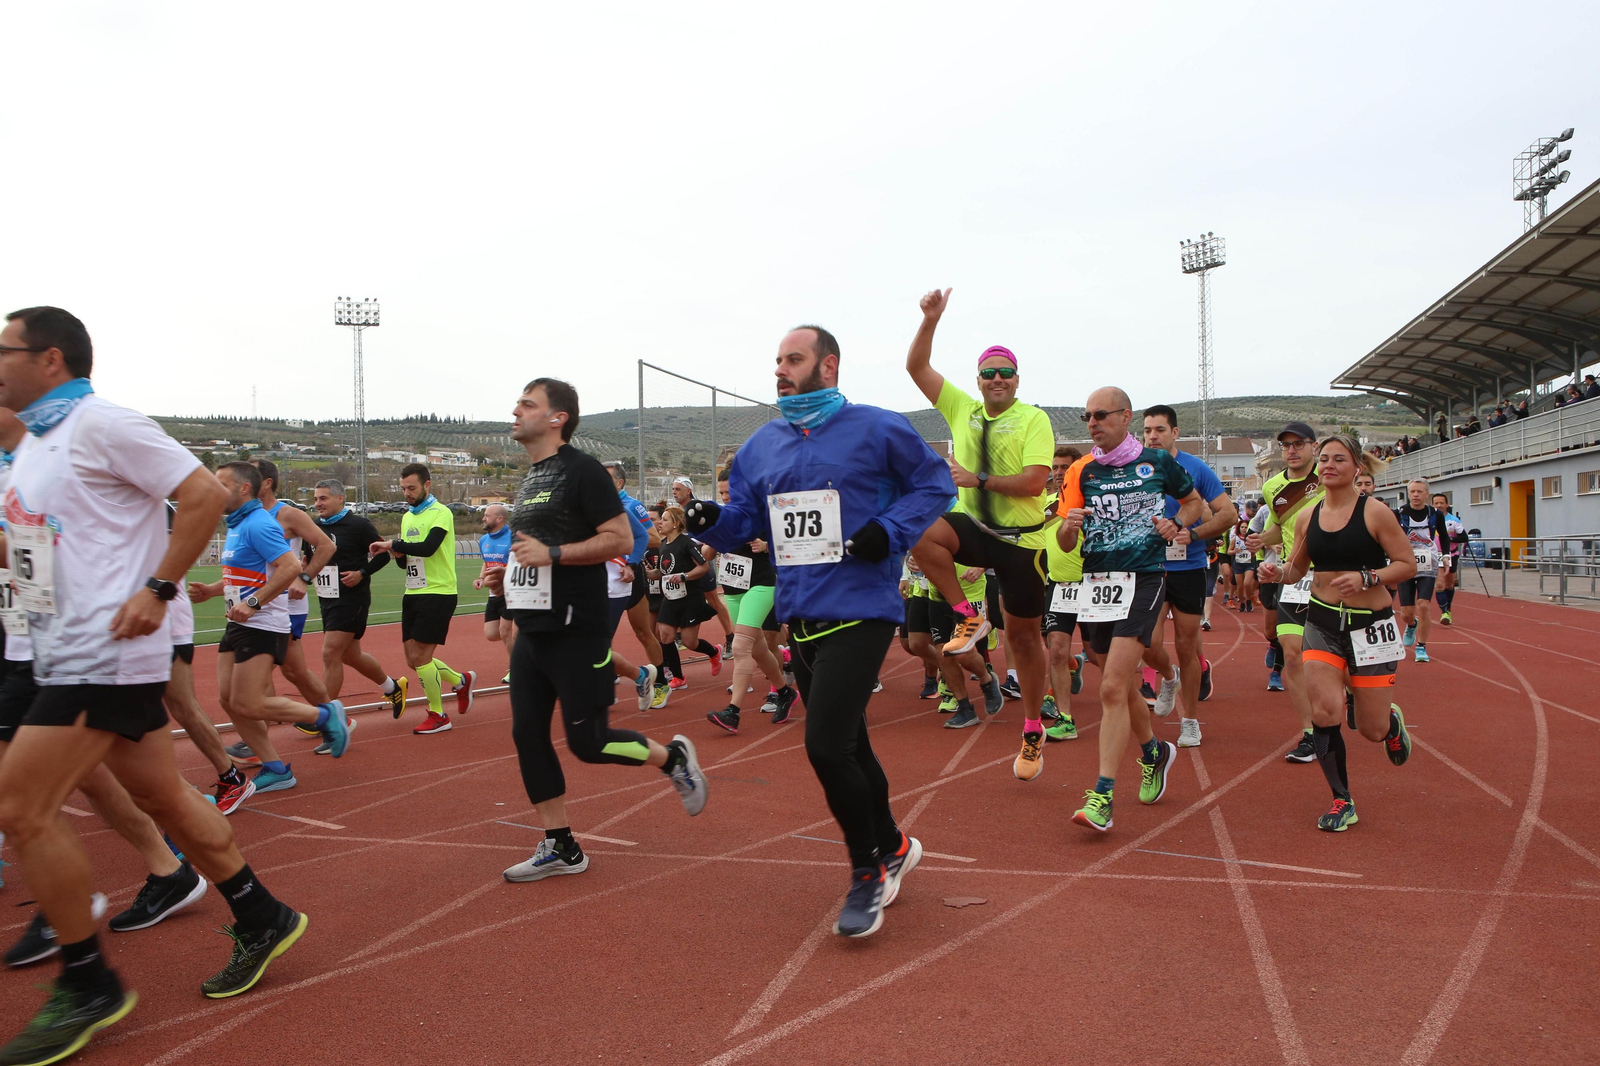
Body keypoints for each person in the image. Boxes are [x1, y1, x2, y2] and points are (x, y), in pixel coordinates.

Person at [0, 306, 307, 1062]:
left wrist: (160, 588)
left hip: (107, 651)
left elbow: (201, 493)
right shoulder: (37, 444)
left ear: (50, 360)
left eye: (4, 348)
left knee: (21, 804)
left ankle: (89, 982)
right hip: (63, 649)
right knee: (164, 795)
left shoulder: (105, 423)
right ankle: (262, 915)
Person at [686, 321, 952, 938]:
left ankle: (868, 872)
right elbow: (744, 525)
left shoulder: (879, 427)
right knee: (851, 742)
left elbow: (933, 484)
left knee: (825, 746)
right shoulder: (760, 447)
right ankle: (894, 843)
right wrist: (710, 520)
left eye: (794, 359)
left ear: (829, 366)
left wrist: (888, 530)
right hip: (799, 611)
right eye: (777, 360)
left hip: (861, 608)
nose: (780, 369)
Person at [488, 378, 707, 886]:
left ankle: (672, 757)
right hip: (533, 624)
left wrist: (554, 555)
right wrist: (511, 575)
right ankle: (560, 845)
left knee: (588, 742)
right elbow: (538, 550)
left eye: (527, 403)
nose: (515, 410)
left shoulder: (582, 470)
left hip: (576, 629)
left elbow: (620, 537)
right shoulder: (533, 476)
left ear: (558, 416)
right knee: (527, 734)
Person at [902, 289, 1053, 778]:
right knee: (920, 531)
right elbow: (917, 368)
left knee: (1026, 642)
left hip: (1023, 540)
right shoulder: (961, 408)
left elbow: (1034, 481)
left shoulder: (1033, 418)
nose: (996, 379)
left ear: (1016, 378)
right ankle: (969, 616)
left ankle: (1032, 727)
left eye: (1004, 371)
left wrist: (977, 479)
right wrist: (930, 320)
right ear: (978, 380)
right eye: (988, 372)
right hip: (977, 528)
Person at [1057, 388, 1202, 832]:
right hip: (1098, 584)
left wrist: (1177, 523)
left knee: (1112, 687)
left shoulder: (1157, 463)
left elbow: (1195, 502)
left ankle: (1101, 796)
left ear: (1125, 416)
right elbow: (1065, 542)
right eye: (1086, 417)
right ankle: (1154, 752)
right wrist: (1068, 526)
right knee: (1112, 683)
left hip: (1144, 579)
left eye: (1100, 415)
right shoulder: (1083, 471)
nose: (1092, 424)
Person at [1259, 434, 1416, 832]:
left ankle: (1390, 725)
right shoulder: (1308, 517)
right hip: (1323, 621)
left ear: (1356, 468)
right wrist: (1276, 573)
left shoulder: (1375, 512)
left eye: (1338, 459)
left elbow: (1407, 564)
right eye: (1324, 459)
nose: (1328, 465)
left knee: (1371, 729)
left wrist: (1368, 576)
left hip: (1372, 625)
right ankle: (1341, 799)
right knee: (1325, 713)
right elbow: (1296, 568)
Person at [189, 463, 352, 797]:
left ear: (245, 488)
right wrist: (211, 591)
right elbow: (243, 574)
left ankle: (324, 714)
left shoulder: (259, 522)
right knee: (229, 700)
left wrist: (254, 603)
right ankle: (276, 769)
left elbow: (290, 566)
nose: (214, 490)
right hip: (238, 622)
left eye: (221, 484)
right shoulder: (237, 524)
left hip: (262, 624)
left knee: (249, 701)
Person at [1140, 406, 1237, 748]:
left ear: (1175, 433)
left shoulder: (1195, 468)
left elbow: (1229, 514)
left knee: (1186, 645)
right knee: (1148, 645)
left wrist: (1194, 535)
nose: (1153, 436)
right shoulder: (1135, 470)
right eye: (1148, 429)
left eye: (1160, 429)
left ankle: (1191, 721)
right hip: (1148, 568)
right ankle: (1169, 677)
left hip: (1189, 567)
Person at [369, 464, 474, 735]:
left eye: (412, 488)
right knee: (412, 660)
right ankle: (460, 681)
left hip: (438, 592)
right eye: (403, 488)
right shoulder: (407, 517)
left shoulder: (442, 513)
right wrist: (398, 554)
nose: (407, 493)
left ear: (427, 485)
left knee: (422, 657)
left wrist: (394, 545)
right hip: (413, 591)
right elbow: (406, 563)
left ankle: (439, 714)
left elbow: (428, 548)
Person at [1250, 422, 1323, 762]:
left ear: (1314, 447)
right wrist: (1258, 543)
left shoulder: (1329, 477)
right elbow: (1277, 530)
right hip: (1294, 578)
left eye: (1299, 444)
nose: (1292, 450)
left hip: (1331, 579)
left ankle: (1365, 702)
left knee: (1336, 662)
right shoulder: (1273, 487)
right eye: (1286, 446)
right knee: (1293, 656)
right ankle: (1310, 734)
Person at [706, 470, 796, 734]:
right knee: (757, 648)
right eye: (721, 492)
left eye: (728, 492)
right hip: (732, 588)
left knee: (742, 647)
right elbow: (708, 553)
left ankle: (732, 712)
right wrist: (712, 535)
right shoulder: (723, 515)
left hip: (761, 584)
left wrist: (765, 545)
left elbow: (789, 542)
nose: (724, 497)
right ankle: (785, 692)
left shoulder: (764, 511)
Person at [308, 479, 406, 710]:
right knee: (350, 656)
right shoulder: (313, 528)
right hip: (327, 598)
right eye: (315, 499)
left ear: (340, 498)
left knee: (330, 652)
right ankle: (393, 688)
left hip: (352, 598)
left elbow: (383, 555)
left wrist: (362, 573)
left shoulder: (359, 526)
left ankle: (324, 715)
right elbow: (309, 558)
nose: (318, 504)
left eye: (323, 498)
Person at [603, 462, 670, 709]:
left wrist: (623, 549)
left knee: (643, 631)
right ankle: (607, 682)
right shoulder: (596, 503)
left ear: (619, 483)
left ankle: (661, 682)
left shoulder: (632, 506)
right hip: (607, 577)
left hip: (631, 574)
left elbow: (653, 538)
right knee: (603, 636)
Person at [670, 476, 734, 653]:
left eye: (678, 489)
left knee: (713, 600)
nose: (674, 492)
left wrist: (700, 552)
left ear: (688, 491)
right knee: (678, 597)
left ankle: (730, 637)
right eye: (673, 489)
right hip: (683, 565)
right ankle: (678, 634)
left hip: (701, 562)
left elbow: (712, 534)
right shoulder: (677, 513)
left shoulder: (699, 510)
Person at [1393, 479, 1448, 664]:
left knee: (1423, 605)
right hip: (1405, 563)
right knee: (1406, 613)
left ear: (1427, 494)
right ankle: (1411, 624)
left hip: (1427, 563)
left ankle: (1421, 646)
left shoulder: (1435, 514)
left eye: (1419, 492)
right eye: (1412, 492)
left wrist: (1445, 557)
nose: (1415, 495)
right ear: (1408, 494)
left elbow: (1444, 536)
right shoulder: (1398, 514)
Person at [476, 503, 515, 684]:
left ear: (499, 519)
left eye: (487, 515)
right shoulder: (483, 540)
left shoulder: (512, 538)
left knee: (505, 632)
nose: (483, 518)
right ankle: (524, 640)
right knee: (491, 633)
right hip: (493, 593)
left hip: (510, 592)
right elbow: (486, 562)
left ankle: (516, 668)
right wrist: (481, 578)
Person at [1432, 492, 1466, 625]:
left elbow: (1464, 537)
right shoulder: (1430, 518)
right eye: (1436, 503)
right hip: (1436, 555)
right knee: (1440, 584)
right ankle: (1444, 612)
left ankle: (1449, 608)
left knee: (1449, 585)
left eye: (1442, 503)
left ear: (1447, 504)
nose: (1439, 505)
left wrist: (1449, 539)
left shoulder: (1454, 520)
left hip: (1451, 554)